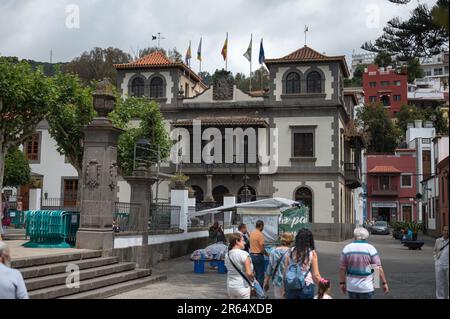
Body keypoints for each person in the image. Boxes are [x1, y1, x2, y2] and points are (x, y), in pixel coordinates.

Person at [339, 227, 389, 299]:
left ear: (354, 236)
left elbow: (342, 268)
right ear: (366, 236)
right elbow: (377, 268)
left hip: (352, 287)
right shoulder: (371, 248)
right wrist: (384, 283)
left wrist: (342, 283)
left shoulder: (347, 248)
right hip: (366, 287)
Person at [283, 229, 322, 299]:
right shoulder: (312, 253)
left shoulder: (290, 251)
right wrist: (323, 286)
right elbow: (316, 275)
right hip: (306, 285)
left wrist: (284, 287)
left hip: (291, 284)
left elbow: (285, 271)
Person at [263, 232, 294, 299]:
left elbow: (269, 268)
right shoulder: (292, 252)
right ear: (291, 241)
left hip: (277, 281)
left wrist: (266, 281)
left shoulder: (273, 252)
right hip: (289, 281)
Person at [225, 233, 254, 299]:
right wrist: (253, 280)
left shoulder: (227, 255)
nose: (244, 243)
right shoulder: (244, 254)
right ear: (237, 241)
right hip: (242, 286)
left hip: (230, 286)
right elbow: (249, 273)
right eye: (243, 240)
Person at [249, 220, 266, 287]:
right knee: (260, 275)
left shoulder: (252, 233)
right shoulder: (260, 234)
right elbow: (262, 248)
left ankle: (254, 290)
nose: (263, 228)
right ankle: (260, 293)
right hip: (258, 256)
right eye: (263, 226)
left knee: (254, 274)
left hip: (252, 255)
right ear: (261, 226)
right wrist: (267, 254)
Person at [434, 225, 449, 299]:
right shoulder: (438, 240)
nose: (446, 232)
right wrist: (436, 260)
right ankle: (440, 297)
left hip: (448, 264)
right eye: (445, 230)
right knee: (439, 283)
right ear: (442, 231)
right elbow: (435, 251)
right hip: (439, 264)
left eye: (448, 230)